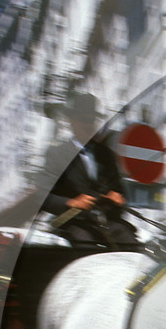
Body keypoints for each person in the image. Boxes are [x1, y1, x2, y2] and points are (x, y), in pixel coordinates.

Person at [41, 91, 140, 249]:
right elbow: (43, 196)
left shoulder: (106, 155)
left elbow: (119, 189)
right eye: (84, 120)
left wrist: (118, 197)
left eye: (92, 120)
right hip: (75, 223)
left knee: (130, 243)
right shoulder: (57, 154)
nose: (89, 125)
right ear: (72, 122)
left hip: (106, 222)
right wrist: (71, 202)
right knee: (86, 246)